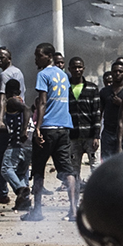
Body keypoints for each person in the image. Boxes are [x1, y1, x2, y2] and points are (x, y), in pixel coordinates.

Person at [32, 43, 79, 213]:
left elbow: (43, 102)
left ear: (48, 56)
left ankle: (37, 211)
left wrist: (37, 127)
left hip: (48, 128)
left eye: (39, 55)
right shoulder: (64, 76)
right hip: (64, 127)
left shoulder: (43, 74)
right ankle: (74, 210)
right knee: (67, 169)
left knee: (38, 168)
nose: (36, 59)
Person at [0, 74, 35, 214]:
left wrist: (23, 131)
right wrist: (0, 129)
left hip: (18, 143)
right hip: (29, 143)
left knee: (5, 169)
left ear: (7, 91)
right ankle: (25, 201)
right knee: (21, 173)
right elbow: (14, 125)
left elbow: (27, 110)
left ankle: (20, 189)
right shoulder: (19, 100)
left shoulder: (12, 102)